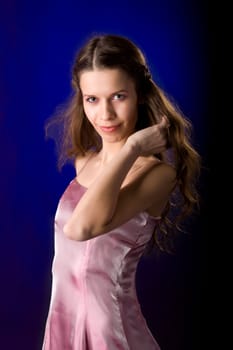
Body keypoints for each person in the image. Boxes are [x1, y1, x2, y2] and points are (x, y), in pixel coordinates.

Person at [42, 33, 201, 349]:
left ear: (139, 94)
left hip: (112, 332)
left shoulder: (157, 175)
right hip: (63, 322)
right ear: (81, 99)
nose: (105, 115)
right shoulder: (83, 162)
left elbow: (81, 227)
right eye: (92, 99)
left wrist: (131, 148)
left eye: (118, 96)